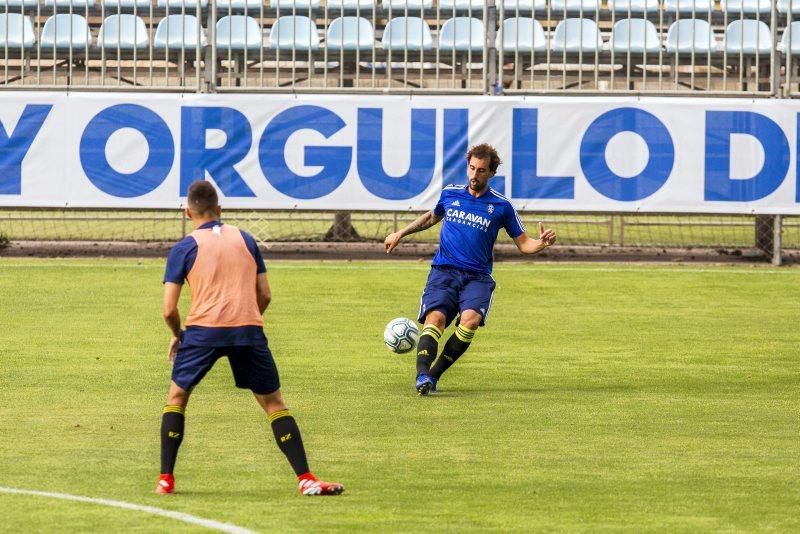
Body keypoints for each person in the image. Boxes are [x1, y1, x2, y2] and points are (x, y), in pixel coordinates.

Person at [156, 180, 344, 496]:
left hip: (203, 331)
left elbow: (168, 310)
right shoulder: (245, 239)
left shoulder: (185, 247)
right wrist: (248, 318)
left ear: (188, 212)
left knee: (177, 398)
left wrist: (179, 337)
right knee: (274, 404)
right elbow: (265, 294)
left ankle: (166, 480)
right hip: (248, 328)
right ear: (219, 209)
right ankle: (306, 479)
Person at [384, 144, 556, 396]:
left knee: (471, 321)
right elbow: (432, 216)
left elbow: (524, 244)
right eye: (472, 168)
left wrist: (542, 243)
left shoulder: (501, 206)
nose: (475, 175)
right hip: (444, 271)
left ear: (491, 173)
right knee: (436, 320)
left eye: (482, 171)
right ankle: (421, 375)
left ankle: (432, 376)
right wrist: (401, 232)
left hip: (477, 277)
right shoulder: (451, 194)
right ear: (467, 167)